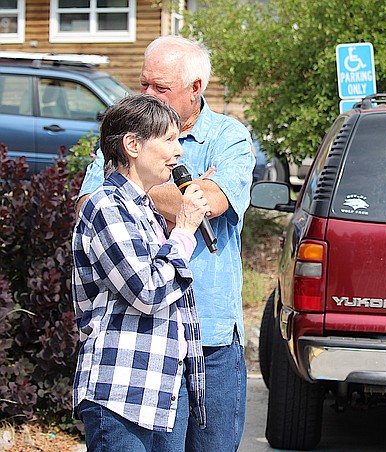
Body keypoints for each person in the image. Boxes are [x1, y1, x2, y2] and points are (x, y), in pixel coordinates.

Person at [77, 36, 256, 451]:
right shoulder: (126, 134)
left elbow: (210, 203)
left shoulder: (229, 137)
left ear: (195, 89)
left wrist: (134, 180)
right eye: (143, 86)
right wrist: (174, 190)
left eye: (161, 88)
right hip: (148, 342)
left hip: (210, 334)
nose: (148, 96)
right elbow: (92, 204)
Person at [72, 94, 209, 450]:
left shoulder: (143, 208)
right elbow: (148, 291)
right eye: (168, 139)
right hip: (120, 393)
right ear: (132, 144)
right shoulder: (107, 206)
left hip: (157, 391)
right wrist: (184, 229)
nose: (179, 151)